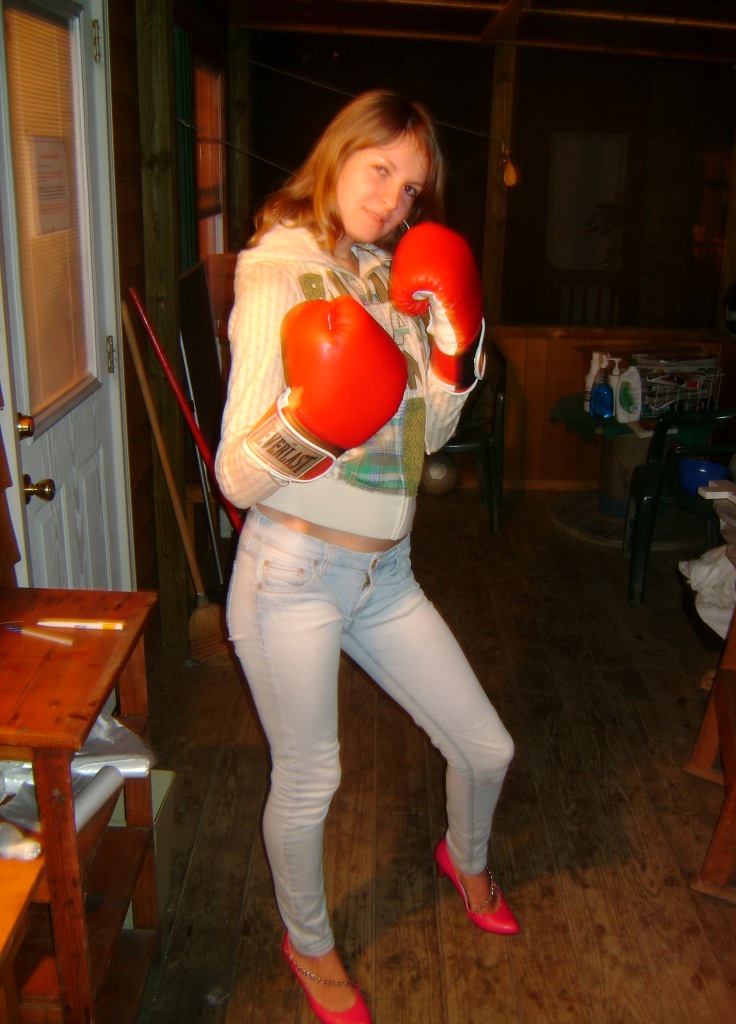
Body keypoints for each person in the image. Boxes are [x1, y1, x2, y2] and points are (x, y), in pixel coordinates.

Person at [215, 90, 516, 1024]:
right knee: (311, 779)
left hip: (389, 576)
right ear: (339, 154)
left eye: (411, 186)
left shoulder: (392, 278)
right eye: (380, 169)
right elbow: (235, 477)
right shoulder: (277, 272)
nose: (391, 199)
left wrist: (454, 355)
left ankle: (465, 859)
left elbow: (433, 436)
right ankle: (309, 946)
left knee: (487, 747)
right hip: (292, 576)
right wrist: (312, 423)